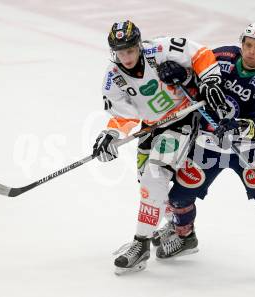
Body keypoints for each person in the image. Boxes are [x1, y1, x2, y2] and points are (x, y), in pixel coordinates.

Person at [154, 22, 255, 280]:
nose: (251, 51)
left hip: (248, 148)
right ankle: (185, 236)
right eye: (247, 45)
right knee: (178, 197)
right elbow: (196, 77)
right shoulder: (222, 55)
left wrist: (236, 126)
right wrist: (176, 72)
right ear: (242, 43)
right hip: (208, 143)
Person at [92, 20, 229, 275]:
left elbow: (200, 53)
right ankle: (182, 231)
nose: (126, 57)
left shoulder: (160, 49)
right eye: (120, 52)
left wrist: (210, 81)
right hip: (153, 126)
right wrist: (110, 135)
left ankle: (141, 244)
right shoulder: (113, 78)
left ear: (138, 45)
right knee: (147, 185)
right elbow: (123, 116)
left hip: (182, 118)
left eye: (130, 50)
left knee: (153, 178)